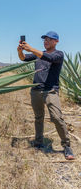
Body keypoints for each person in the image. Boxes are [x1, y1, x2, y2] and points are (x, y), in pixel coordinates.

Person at [17, 31, 75, 160]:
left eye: (49, 39)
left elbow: (48, 58)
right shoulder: (37, 55)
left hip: (50, 91)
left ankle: (67, 146)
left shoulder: (58, 54)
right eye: (45, 39)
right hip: (36, 90)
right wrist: (20, 50)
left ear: (56, 41)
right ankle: (38, 143)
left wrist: (30, 48)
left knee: (57, 118)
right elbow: (23, 58)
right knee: (38, 117)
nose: (46, 41)